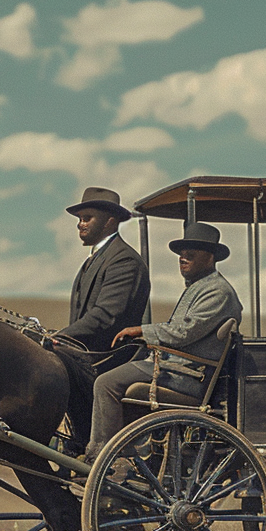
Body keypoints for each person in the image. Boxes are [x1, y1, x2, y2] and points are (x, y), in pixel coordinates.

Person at [85, 222, 242, 461]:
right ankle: (136, 454)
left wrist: (142, 331)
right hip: (176, 369)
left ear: (210, 257)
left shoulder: (218, 291)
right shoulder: (201, 287)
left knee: (105, 383)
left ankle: (104, 458)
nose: (183, 257)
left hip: (186, 376)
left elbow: (184, 332)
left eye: (192, 252)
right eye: (182, 252)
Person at [54, 187, 151, 450]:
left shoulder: (124, 261)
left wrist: (62, 337)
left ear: (110, 221)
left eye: (87, 218)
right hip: (88, 355)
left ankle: (96, 450)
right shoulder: (97, 258)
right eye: (79, 219)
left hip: (108, 359)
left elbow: (106, 316)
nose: (80, 224)